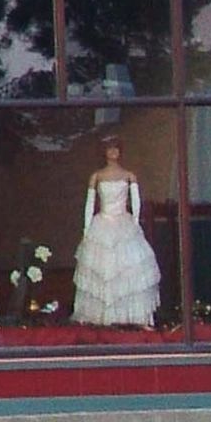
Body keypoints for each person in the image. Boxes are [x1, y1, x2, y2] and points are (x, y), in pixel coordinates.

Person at [71, 138, 161, 327]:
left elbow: (136, 201)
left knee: (129, 267)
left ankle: (133, 317)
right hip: (102, 222)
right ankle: (101, 317)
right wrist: (86, 228)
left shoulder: (129, 176)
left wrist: (135, 223)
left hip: (124, 223)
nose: (113, 152)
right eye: (109, 149)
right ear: (105, 152)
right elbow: (90, 204)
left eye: (116, 149)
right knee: (102, 268)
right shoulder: (97, 176)